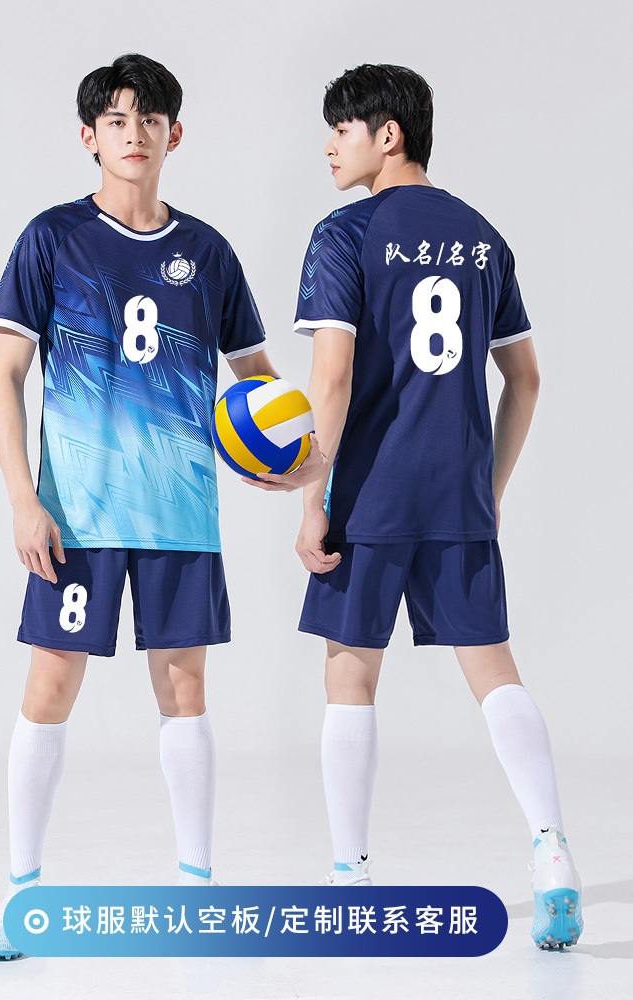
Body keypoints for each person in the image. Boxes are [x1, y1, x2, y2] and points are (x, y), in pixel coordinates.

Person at [247, 63, 582, 950]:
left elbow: (331, 378)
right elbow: (527, 378)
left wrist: (311, 497)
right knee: (495, 671)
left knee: (350, 673)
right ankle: (552, 850)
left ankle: (350, 876)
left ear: (386, 134)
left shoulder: (345, 233)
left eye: (342, 130)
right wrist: (489, 489)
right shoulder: (483, 236)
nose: (329, 147)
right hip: (458, 490)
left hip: (371, 491)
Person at [0, 52, 281, 960]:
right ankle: (21, 895)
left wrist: (288, 457)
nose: (134, 133)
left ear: (174, 133)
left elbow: (258, 382)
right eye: (116, 120)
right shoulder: (52, 239)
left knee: (185, 692)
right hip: (77, 517)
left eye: (149, 119)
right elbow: (4, 375)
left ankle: (196, 890)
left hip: (180, 516)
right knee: (49, 687)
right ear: (89, 136)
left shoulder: (209, 253)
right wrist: (23, 498)